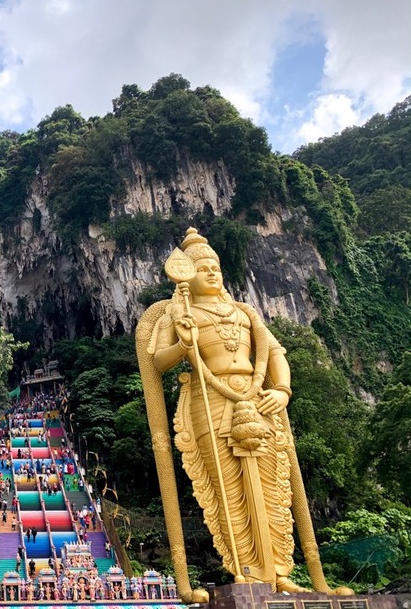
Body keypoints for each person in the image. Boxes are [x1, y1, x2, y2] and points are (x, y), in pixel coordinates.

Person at [139, 227, 348, 599]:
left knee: (273, 486)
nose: (211, 273)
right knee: (227, 489)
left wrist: (282, 390)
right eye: (202, 268)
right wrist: (184, 343)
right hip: (210, 401)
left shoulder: (244, 311)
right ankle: (246, 571)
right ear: (186, 274)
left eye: (215, 266)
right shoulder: (178, 311)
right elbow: (157, 361)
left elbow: (275, 353)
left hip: (258, 400)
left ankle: (281, 572)